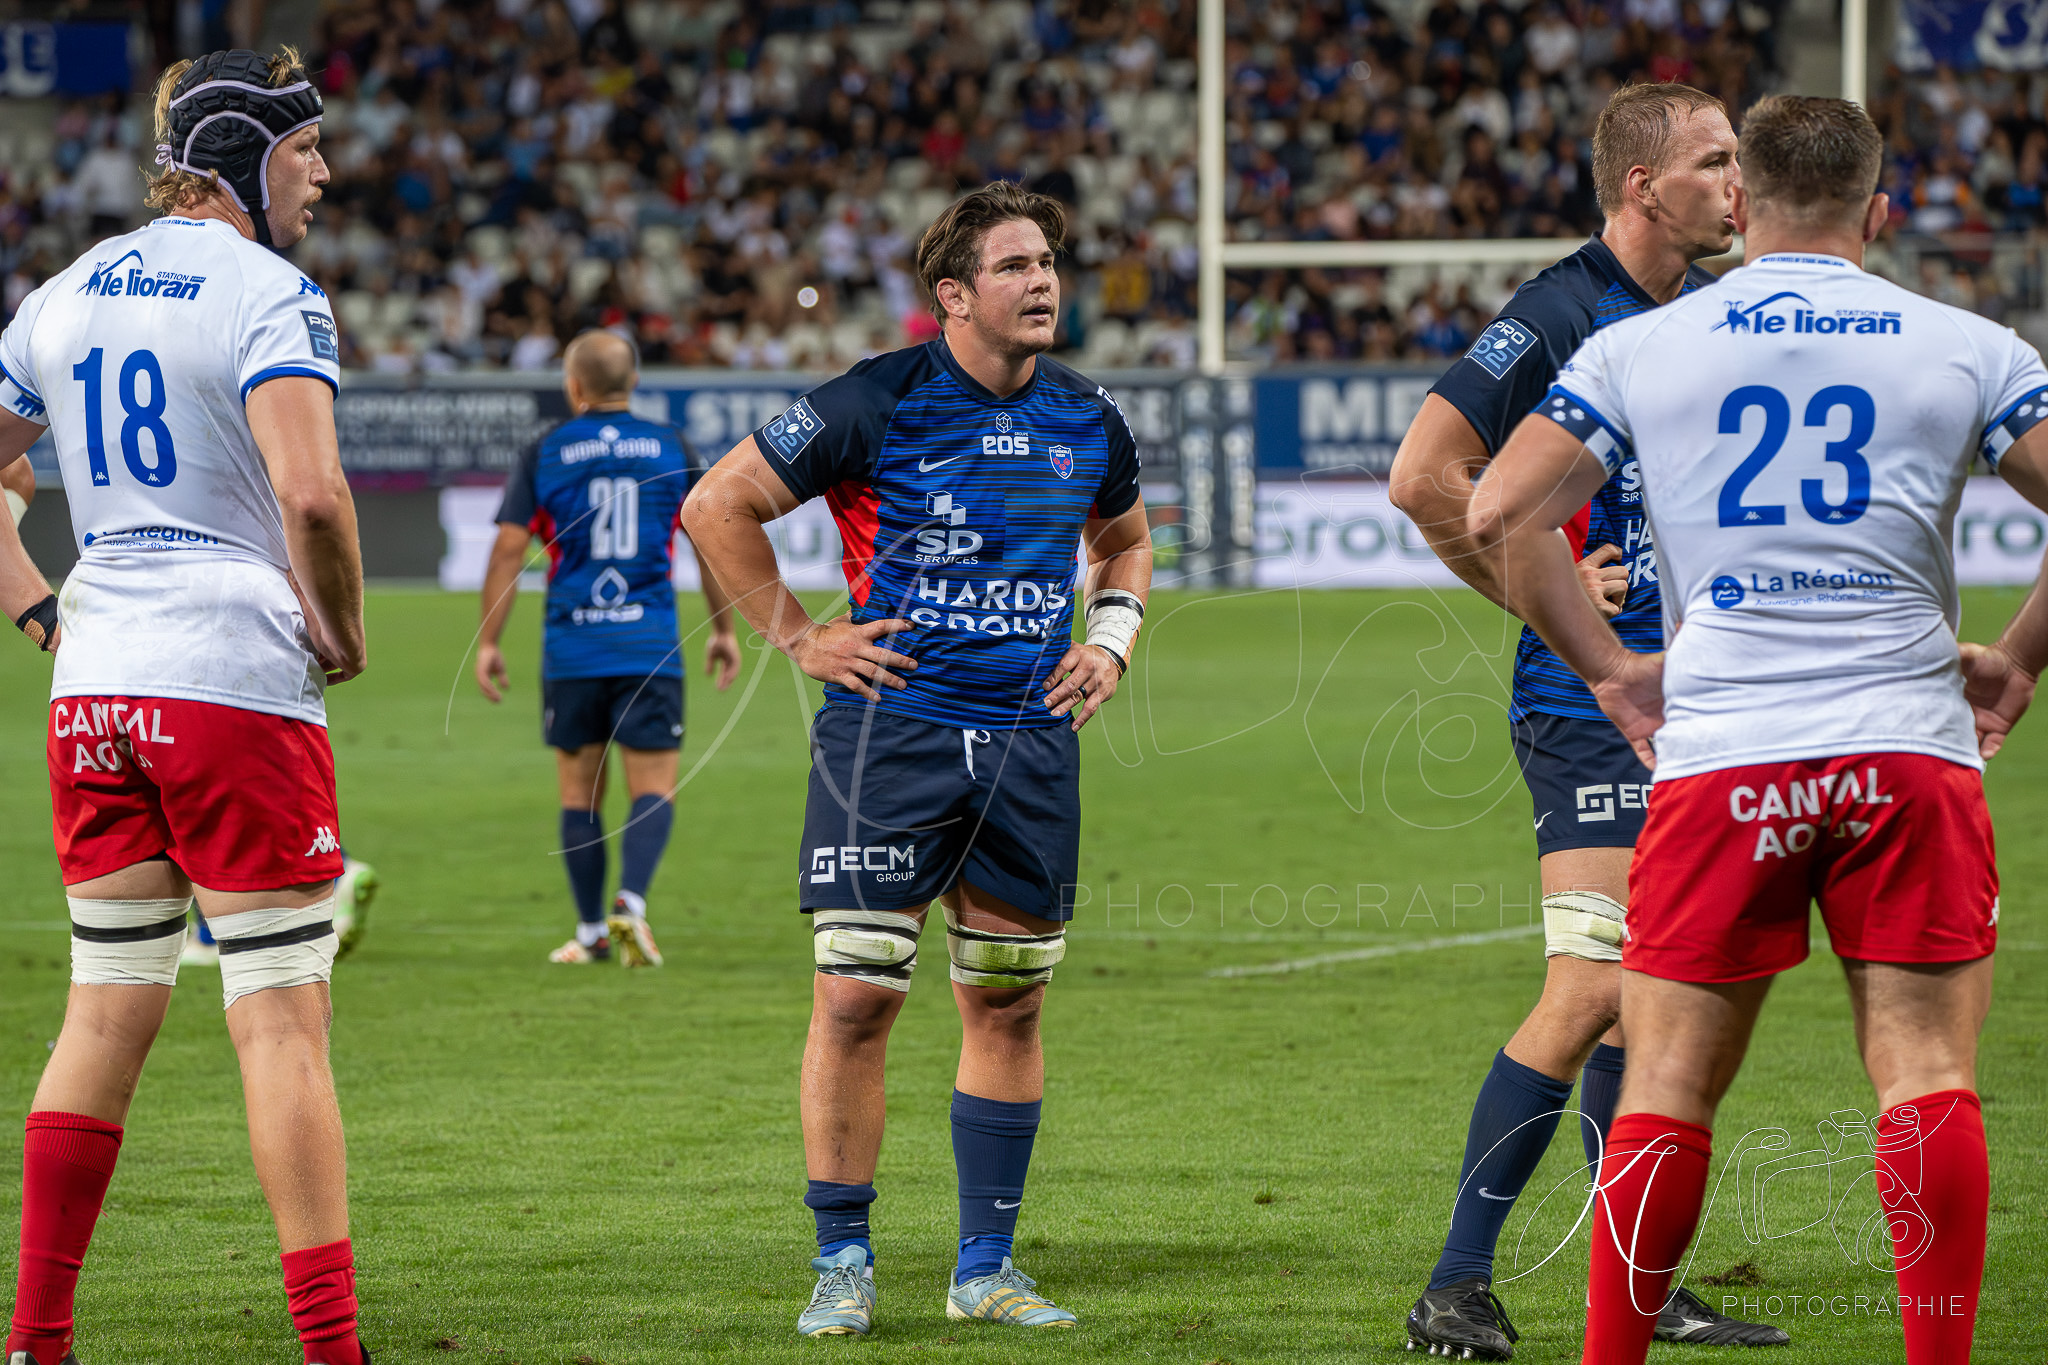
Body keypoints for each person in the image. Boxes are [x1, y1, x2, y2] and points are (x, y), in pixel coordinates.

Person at [1469, 93, 2042, 1365]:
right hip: (1904, 748)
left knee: (1664, 1088)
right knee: (1923, 1073)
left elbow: (1496, 512)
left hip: (1724, 755)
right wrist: (2013, 660)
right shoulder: (1964, 343)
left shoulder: (1644, 348)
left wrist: (1614, 675)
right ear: (1878, 210)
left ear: (1743, 202)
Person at [681, 181, 1151, 1338]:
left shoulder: (1089, 416)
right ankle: (841, 1260)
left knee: (1006, 1004)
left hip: (1030, 743)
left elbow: (1127, 540)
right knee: (853, 999)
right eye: (1013, 266)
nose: (1042, 281)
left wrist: (1111, 639)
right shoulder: (875, 401)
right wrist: (799, 636)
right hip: (890, 733)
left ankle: (983, 1268)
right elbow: (716, 504)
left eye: (1047, 261)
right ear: (953, 294)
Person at [1389, 82, 1782, 1356]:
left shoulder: (1708, 315)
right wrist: (1536, 593)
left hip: (1696, 703)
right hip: (1586, 698)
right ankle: (1453, 1282)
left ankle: (1640, 1286)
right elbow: (1421, 474)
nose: (1736, 183)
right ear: (1640, 187)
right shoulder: (1558, 311)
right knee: (1595, 983)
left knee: (1656, 997)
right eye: (1714, 162)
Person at [0, 47, 373, 1365]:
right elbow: (316, 496)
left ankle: (35, 1340)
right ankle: (332, 1351)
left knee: (104, 1005)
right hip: (227, 677)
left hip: (96, 685)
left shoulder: (56, 296)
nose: (325, 173)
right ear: (240, 159)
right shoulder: (273, 293)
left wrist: (41, 608)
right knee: (278, 1009)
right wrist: (341, 629)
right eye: (305, 149)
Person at [476, 330, 741, 966]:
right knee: (653, 785)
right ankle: (632, 904)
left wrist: (488, 641)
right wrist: (725, 629)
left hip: (573, 649)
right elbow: (709, 540)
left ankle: (592, 929)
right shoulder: (672, 446)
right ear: (634, 383)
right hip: (648, 644)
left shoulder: (545, 449)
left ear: (573, 387)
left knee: (578, 792)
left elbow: (510, 548)